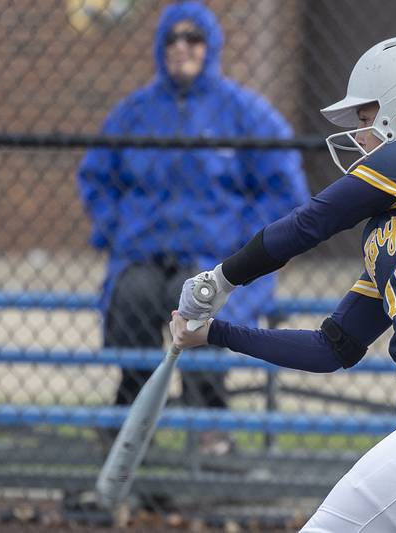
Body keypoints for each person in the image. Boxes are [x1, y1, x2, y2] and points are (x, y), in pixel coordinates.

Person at [172, 35, 396, 532]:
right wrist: (215, 334)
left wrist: (220, 279)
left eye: (368, 119)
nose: (362, 135)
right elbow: (331, 348)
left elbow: (309, 223)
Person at [77, 1, 309, 453]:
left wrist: (247, 247)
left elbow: (284, 191)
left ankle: (211, 429)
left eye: (193, 38)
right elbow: (96, 177)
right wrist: (116, 228)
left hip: (213, 259)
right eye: (171, 39)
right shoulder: (135, 112)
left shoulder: (245, 112)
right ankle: (129, 421)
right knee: (134, 298)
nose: (181, 47)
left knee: (199, 305)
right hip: (143, 254)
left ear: (211, 47)